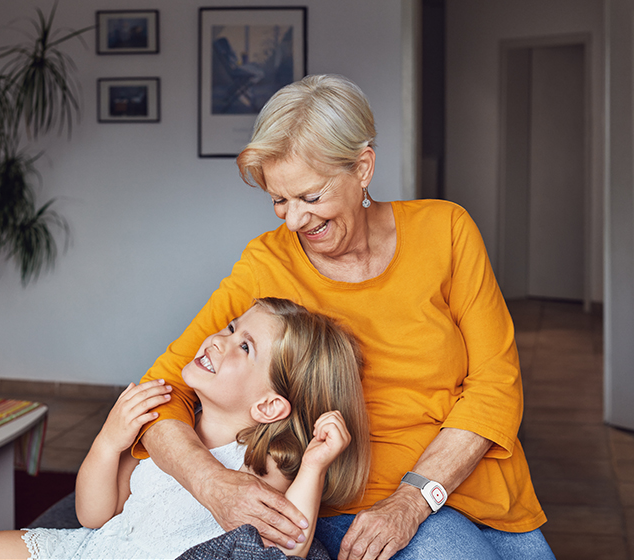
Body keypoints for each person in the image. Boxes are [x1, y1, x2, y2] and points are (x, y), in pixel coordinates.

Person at [135, 74, 555, 560]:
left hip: (471, 484)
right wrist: (213, 484)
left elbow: (496, 384)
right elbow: (161, 392)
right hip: (357, 504)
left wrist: (414, 499)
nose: (293, 221)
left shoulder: (447, 231)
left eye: (311, 197)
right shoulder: (266, 263)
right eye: (279, 200)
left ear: (363, 167)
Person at [0, 297, 370, 560]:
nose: (218, 340)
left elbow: (288, 547)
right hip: (103, 549)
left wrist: (314, 465)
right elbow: (93, 515)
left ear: (269, 405)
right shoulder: (170, 430)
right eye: (229, 328)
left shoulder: (263, 460)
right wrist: (108, 440)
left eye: (245, 346)